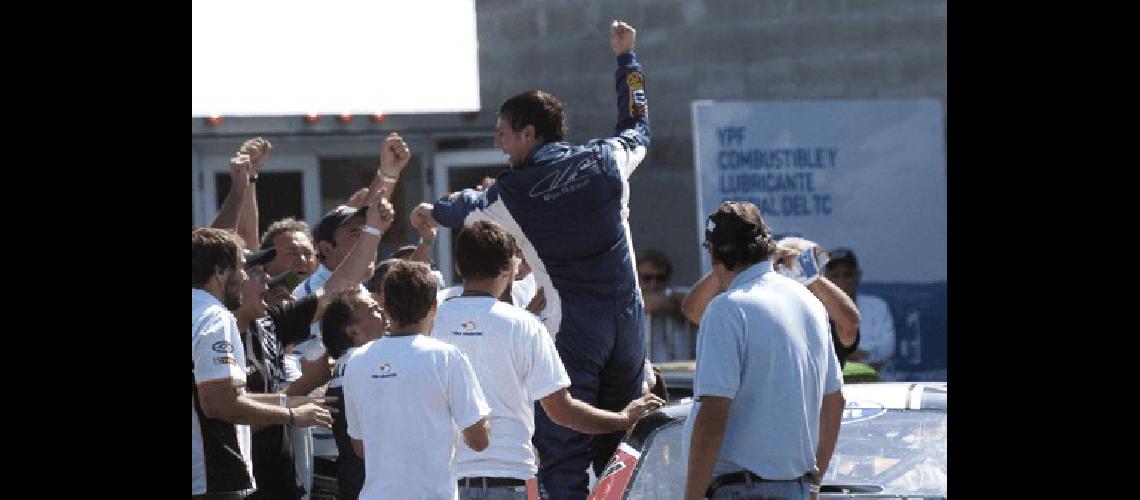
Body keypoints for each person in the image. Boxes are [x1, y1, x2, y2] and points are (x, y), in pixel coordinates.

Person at [414, 20, 650, 497]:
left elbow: (462, 208)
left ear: (529, 132)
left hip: (574, 329)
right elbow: (639, 125)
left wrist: (428, 210)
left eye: (503, 134)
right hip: (630, 326)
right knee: (624, 447)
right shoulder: (608, 159)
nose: (498, 144)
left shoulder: (510, 192)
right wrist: (627, 60)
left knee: (563, 453)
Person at [433, 221, 664, 499]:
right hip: (508, 479)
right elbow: (562, 411)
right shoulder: (526, 326)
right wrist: (622, 418)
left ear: (458, 266)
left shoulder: (432, 322)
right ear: (511, 268)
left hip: (442, 481)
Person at [682, 202, 845, 500]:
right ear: (766, 247)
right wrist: (813, 483)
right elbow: (834, 402)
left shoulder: (726, 310)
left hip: (740, 489)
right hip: (794, 488)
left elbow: (713, 415)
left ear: (713, 254)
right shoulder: (810, 304)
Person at [193, 227, 333, 498]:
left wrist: (286, 401)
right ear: (221, 272)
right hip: (213, 479)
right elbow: (218, 403)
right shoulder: (213, 316)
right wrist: (291, 415)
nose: (245, 276)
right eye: (242, 269)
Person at [342, 260, 492, 499]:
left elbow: (360, 447)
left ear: (385, 306)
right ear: (434, 306)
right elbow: (479, 440)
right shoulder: (447, 357)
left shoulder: (356, 361)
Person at [824, 247, 896, 373]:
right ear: (826, 279)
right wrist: (861, 353)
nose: (842, 281)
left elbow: (887, 349)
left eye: (848, 274)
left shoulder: (877, 307)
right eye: (835, 275)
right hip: (831, 386)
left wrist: (843, 352)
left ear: (858, 276)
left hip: (876, 384)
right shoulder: (816, 310)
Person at [637, 249, 696, 362]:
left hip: (677, 372)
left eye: (660, 278)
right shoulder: (628, 300)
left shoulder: (673, 294)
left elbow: (696, 302)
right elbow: (650, 303)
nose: (653, 284)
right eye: (646, 278)